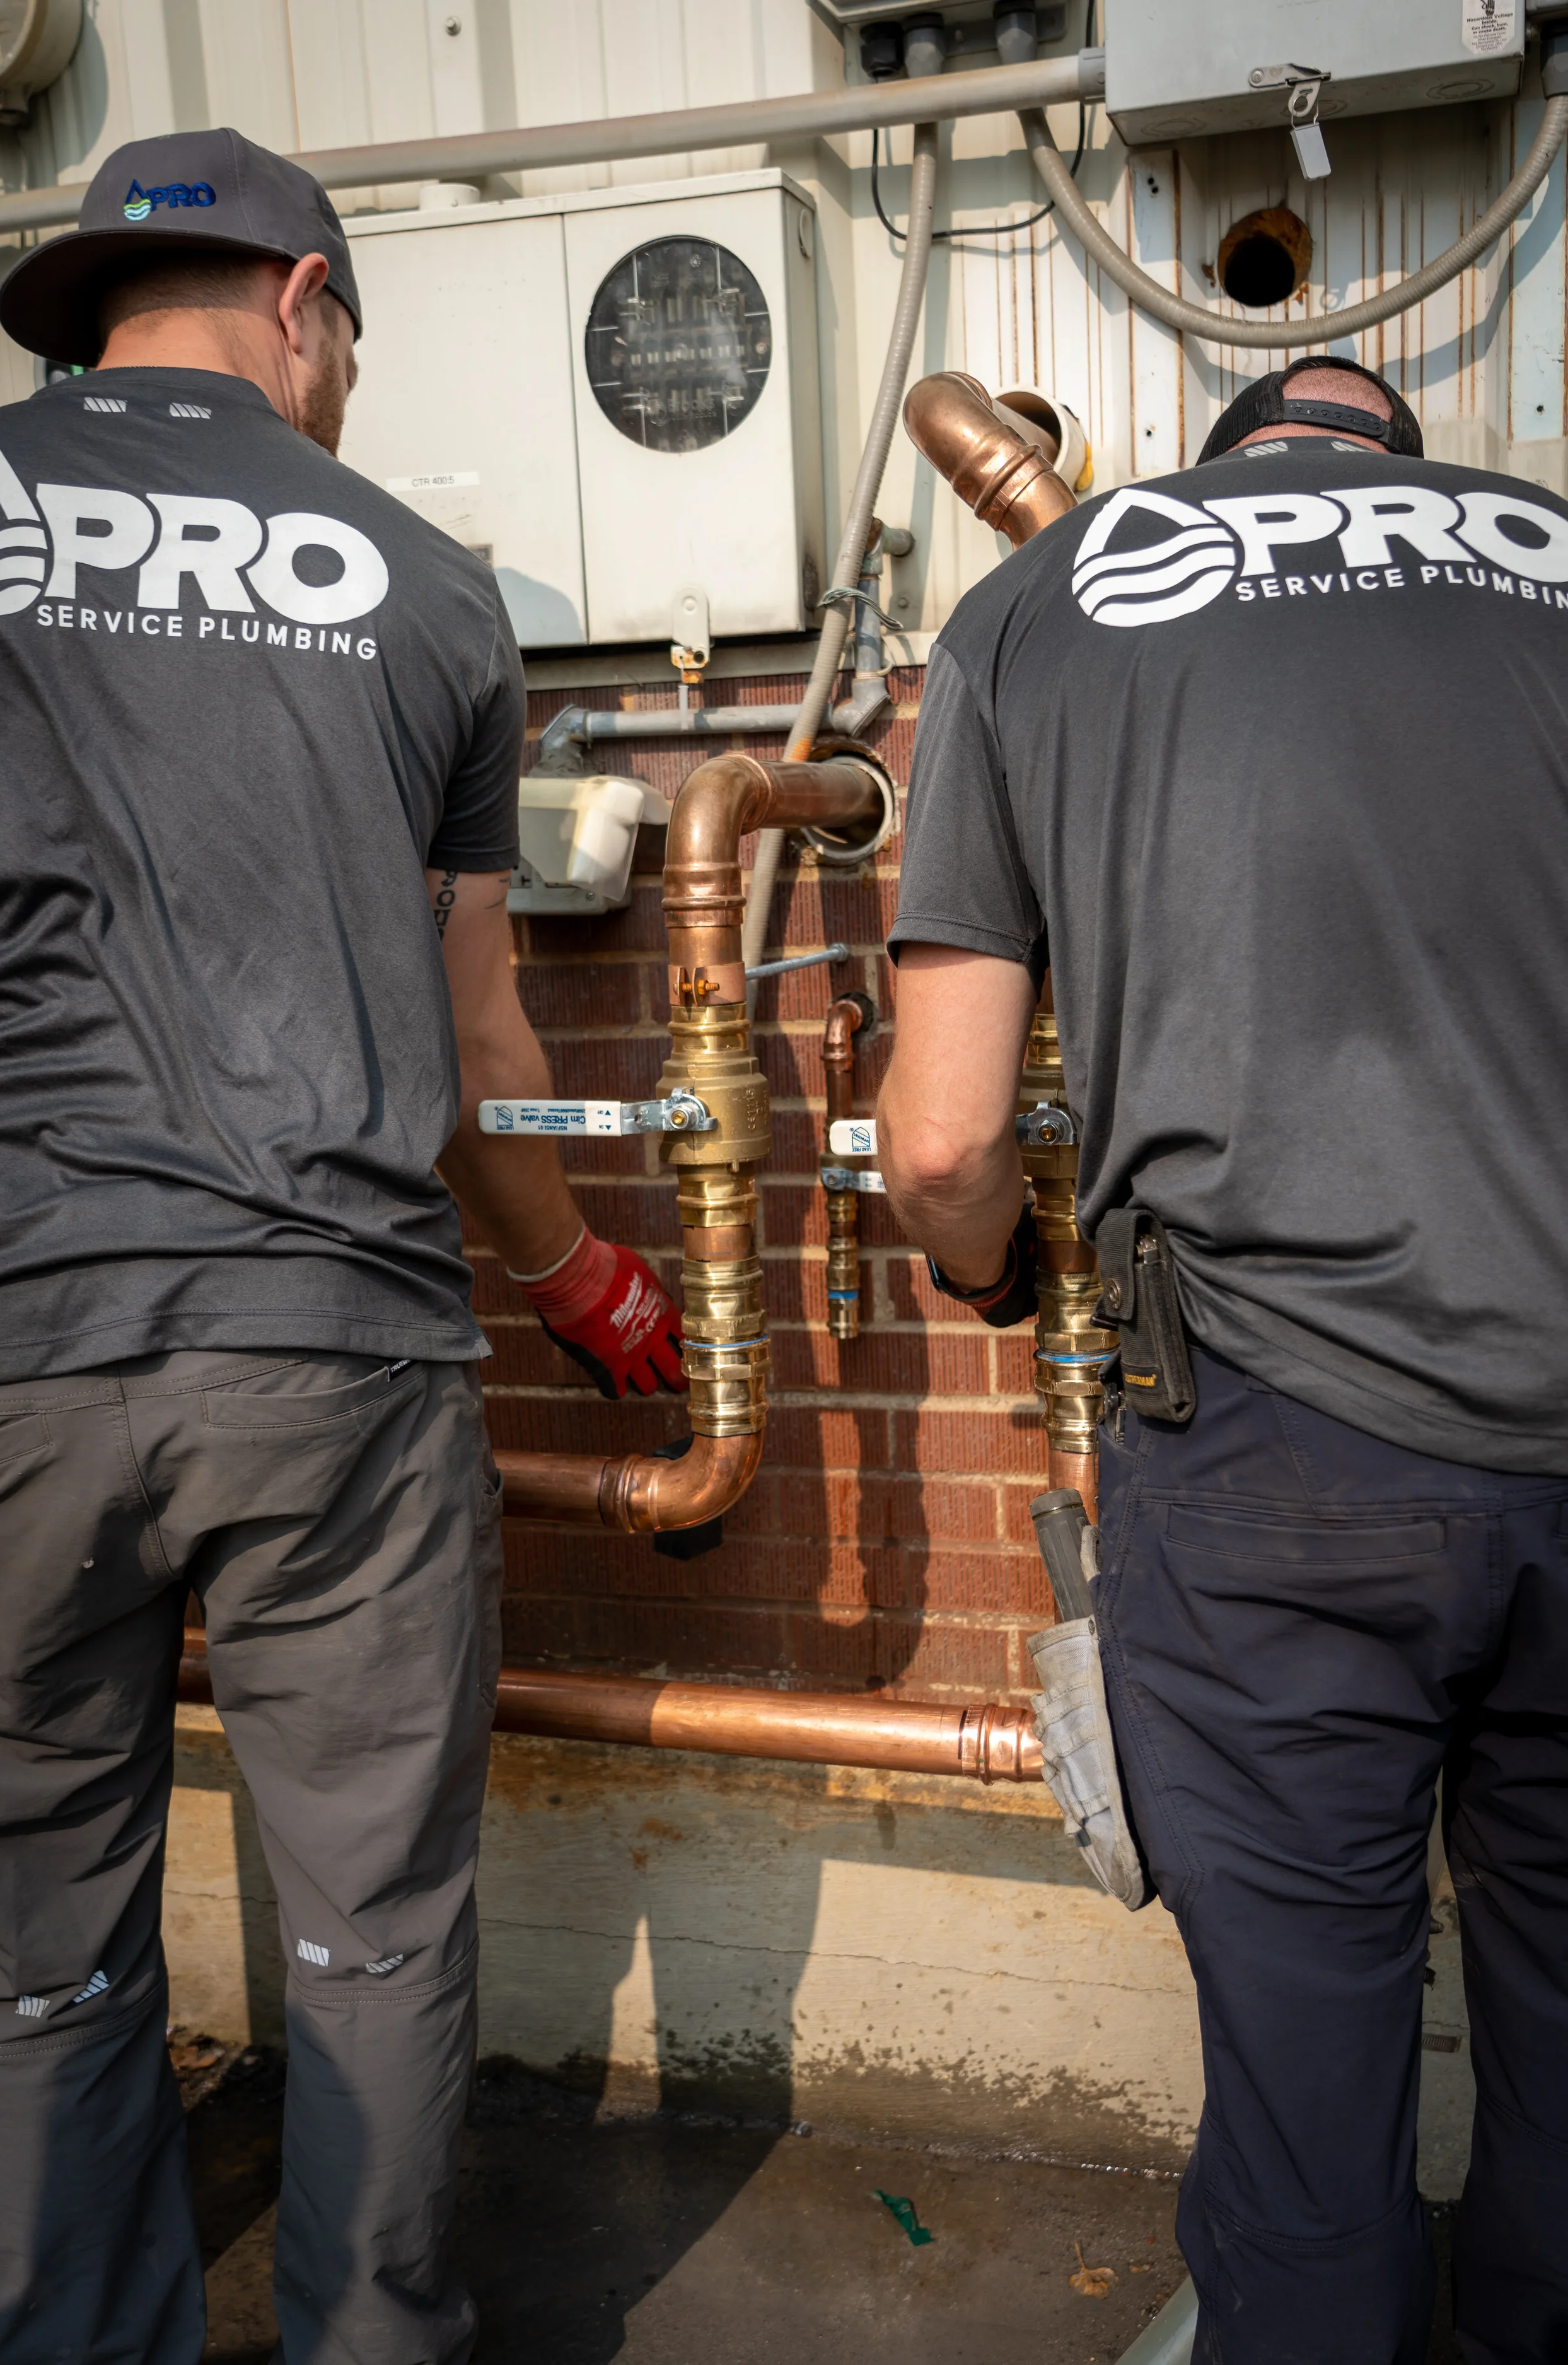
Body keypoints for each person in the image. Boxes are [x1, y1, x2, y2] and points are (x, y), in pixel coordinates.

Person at [0, 127, 683, 2365]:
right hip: (346, 1356)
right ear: (304, 307)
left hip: (19, 1338)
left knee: (29, 1938)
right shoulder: (427, 581)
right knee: (375, 1936)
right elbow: (476, 1038)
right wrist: (581, 1279)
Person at [876, 357, 1568, 2364]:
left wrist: (1001, 1276)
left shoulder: (1043, 600)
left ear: (1234, 460)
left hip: (1278, 1455)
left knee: (1303, 2084)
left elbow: (938, 1138)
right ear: (1402, 479)